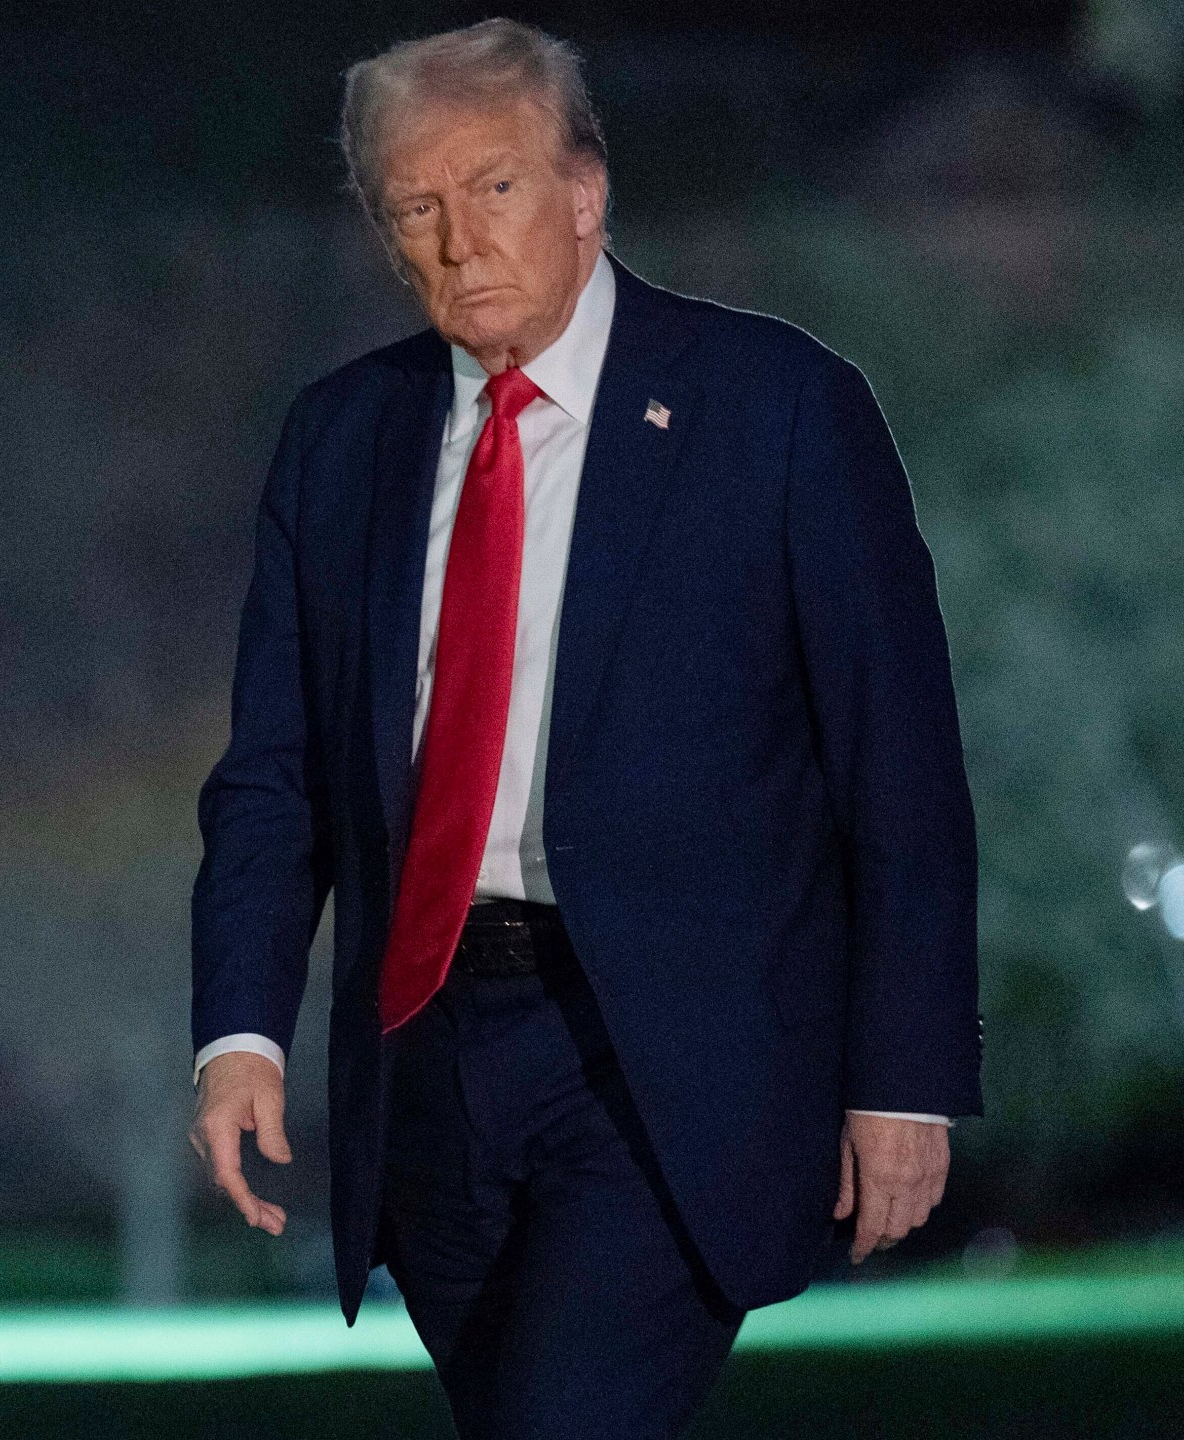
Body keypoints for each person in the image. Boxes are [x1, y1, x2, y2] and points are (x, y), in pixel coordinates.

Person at [187, 18, 982, 1437]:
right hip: (427, 1055)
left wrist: (905, 1076)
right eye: (413, 208)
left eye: (491, 188)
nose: (457, 241)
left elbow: (901, 773)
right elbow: (274, 774)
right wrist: (239, 1029)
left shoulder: (779, 412)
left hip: (666, 1062)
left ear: (585, 192)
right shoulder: (340, 443)